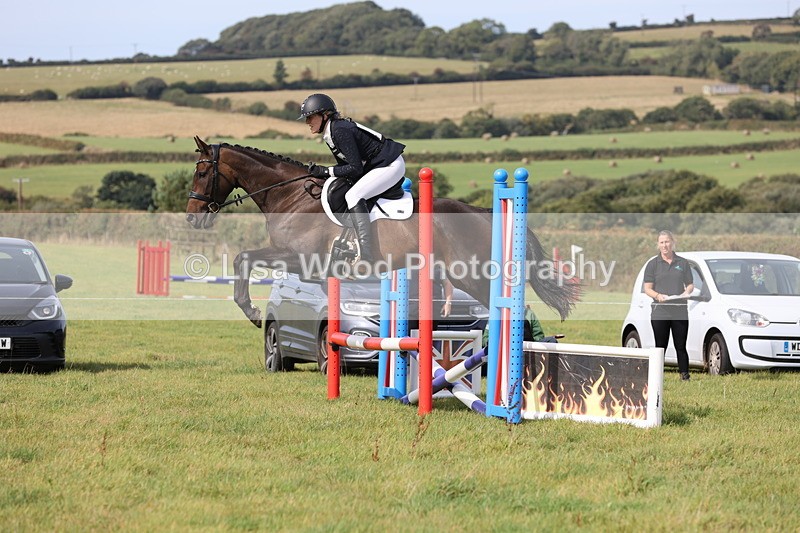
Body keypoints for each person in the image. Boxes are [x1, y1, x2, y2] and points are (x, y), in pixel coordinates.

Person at [299, 93, 406, 263]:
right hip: (375, 166)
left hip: (389, 165)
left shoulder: (339, 130)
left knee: (353, 196)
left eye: (310, 117)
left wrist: (326, 172)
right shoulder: (331, 131)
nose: (307, 122)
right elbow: (347, 167)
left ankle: (367, 255)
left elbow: (355, 168)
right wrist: (326, 173)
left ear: (324, 115)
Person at [643, 230, 695, 381]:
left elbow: (690, 284)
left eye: (667, 242)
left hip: (679, 310)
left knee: (681, 345)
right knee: (660, 346)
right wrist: (658, 296)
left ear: (672, 242)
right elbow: (647, 288)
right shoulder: (653, 264)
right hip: (660, 311)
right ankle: (656, 377)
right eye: (661, 242)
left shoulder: (683, 263)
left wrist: (687, 292)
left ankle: (685, 376)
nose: (664, 245)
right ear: (658, 245)